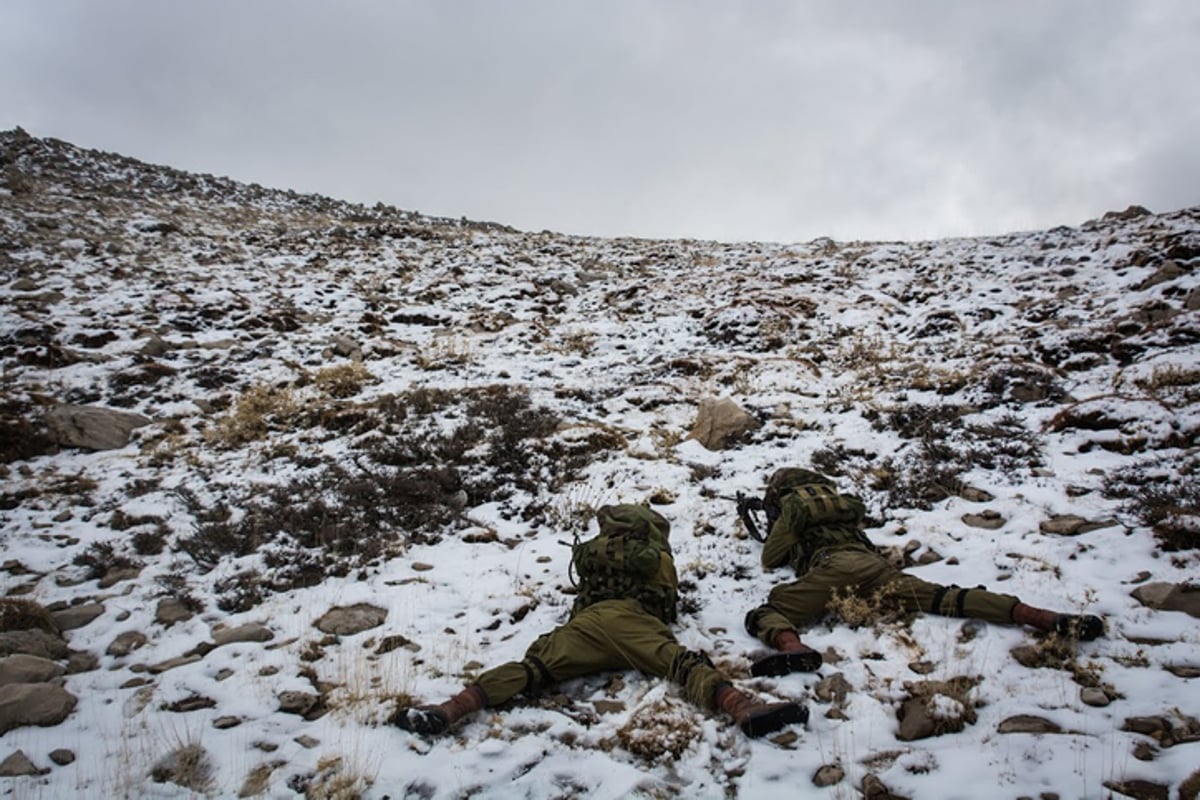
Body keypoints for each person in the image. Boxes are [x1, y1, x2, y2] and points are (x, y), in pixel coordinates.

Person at [393, 504, 808, 738]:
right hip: (635, 623)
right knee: (682, 663)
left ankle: (450, 708)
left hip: (587, 624)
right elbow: (667, 605)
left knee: (532, 669)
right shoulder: (657, 557)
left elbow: (580, 600)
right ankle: (740, 706)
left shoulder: (594, 552)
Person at [741, 468, 1106, 677]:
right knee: (947, 598)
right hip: (877, 568)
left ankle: (794, 648)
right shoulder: (841, 512)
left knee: (767, 611)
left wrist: (780, 526)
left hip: (833, 567)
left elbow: (770, 559)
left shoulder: (794, 512)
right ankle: (1041, 616)